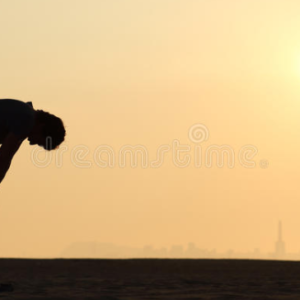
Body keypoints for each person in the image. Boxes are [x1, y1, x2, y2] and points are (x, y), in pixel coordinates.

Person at [0, 99, 66, 184]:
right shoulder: (26, 121)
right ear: (41, 127)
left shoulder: (27, 117)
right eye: (39, 142)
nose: (32, 143)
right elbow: (3, 158)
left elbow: (7, 159)